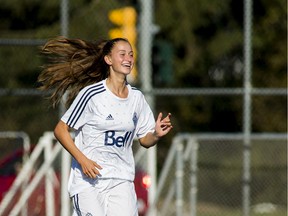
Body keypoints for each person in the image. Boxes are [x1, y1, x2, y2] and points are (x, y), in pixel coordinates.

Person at [38, 36, 173, 216]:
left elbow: (145, 141)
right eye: (122, 54)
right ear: (108, 59)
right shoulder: (92, 95)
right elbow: (60, 130)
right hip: (89, 182)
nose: (128, 59)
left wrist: (155, 134)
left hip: (121, 180)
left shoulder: (137, 98)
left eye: (131, 55)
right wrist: (82, 160)